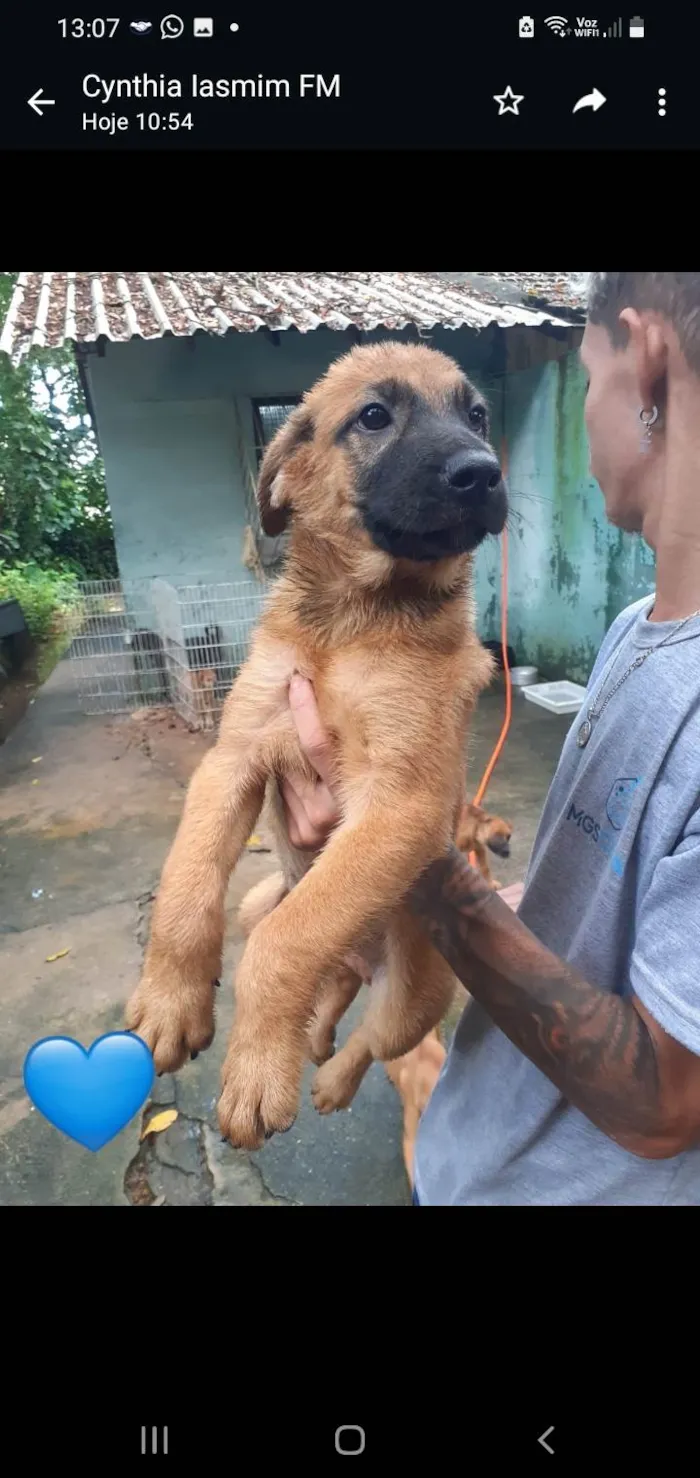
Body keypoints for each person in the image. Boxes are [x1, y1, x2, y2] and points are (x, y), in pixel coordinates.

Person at [279, 273, 700, 1206]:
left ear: (649, 358)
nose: (478, 453)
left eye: (588, 376)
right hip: (469, 1155)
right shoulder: (639, 627)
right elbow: (598, 907)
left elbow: (668, 1105)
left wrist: (410, 853)